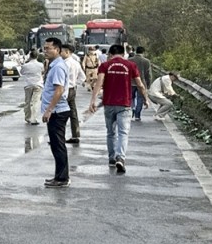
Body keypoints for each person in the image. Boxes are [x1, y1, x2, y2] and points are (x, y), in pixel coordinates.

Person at [88, 44, 148, 174]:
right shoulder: (130, 66)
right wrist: (145, 99)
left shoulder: (105, 66)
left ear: (110, 54)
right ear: (123, 53)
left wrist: (93, 100)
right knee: (123, 133)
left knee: (110, 132)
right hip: (125, 104)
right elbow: (140, 84)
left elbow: (99, 83)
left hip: (109, 103)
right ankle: (120, 157)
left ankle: (111, 158)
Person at [40, 37, 72, 187]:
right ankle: (59, 176)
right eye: (44, 48)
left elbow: (59, 90)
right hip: (56, 110)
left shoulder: (58, 66)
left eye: (48, 48)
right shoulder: (54, 65)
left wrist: (49, 110)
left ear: (57, 50)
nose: (45, 51)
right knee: (55, 144)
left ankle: (62, 178)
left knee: (58, 145)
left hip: (57, 111)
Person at [59, 44, 86, 145]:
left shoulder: (64, 64)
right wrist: (75, 84)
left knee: (60, 113)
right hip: (72, 89)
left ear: (67, 52)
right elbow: (82, 77)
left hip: (64, 90)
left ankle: (59, 136)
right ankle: (75, 135)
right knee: (73, 114)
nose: (60, 53)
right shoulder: (76, 63)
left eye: (61, 51)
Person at [129, 46, 152, 121]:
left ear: (135, 51)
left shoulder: (129, 60)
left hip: (130, 82)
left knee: (131, 97)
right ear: (143, 52)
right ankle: (137, 115)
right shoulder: (146, 61)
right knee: (140, 98)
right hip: (142, 82)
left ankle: (132, 108)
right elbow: (148, 74)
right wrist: (148, 84)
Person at [21, 53, 45, 125]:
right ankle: (34, 119)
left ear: (30, 57)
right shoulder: (40, 65)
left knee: (27, 101)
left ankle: (27, 117)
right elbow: (43, 72)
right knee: (35, 102)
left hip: (28, 84)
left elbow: (22, 72)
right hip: (38, 84)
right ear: (36, 56)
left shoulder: (25, 65)